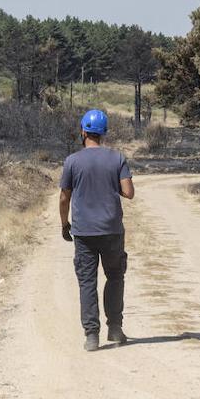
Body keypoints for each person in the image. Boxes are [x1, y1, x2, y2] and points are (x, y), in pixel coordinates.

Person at [59, 109, 135, 352]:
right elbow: (129, 193)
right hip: (112, 230)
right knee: (115, 277)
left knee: (87, 282)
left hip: (83, 233)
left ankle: (92, 336)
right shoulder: (117, 158)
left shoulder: (72, 161)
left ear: (83, 131)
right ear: (104, 133)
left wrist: (64, 223)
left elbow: (64, 197)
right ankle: (115, 328)